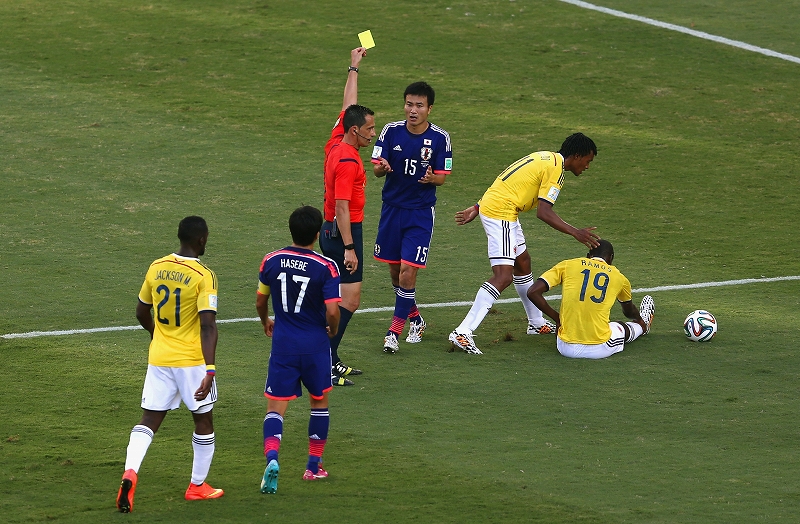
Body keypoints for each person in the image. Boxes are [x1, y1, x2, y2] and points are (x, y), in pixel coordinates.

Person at [449, 133, 601, 355]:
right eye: (587, 161)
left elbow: (506, 180)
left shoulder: (545, 157)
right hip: (501, 212)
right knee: (503, 276)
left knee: (523, 263)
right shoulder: (555, 171)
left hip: (504, 209)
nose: (587, 166)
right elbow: (544, 212)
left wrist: (477, 207)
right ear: (576, 156)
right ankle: (463, 331)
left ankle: (536, 322)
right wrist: (575, 232)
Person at [116, 216, 223, 513]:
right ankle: (198, 486)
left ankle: (130, 472)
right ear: (201, 240)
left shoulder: (156, 266)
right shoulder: (204, 276)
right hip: (191, 362)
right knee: (203, 420)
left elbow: (140, 311)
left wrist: (156, 335)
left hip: (160, 358)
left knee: (149, 419)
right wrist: (210, 369)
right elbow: (207, 326)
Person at [256, 206, 341, 494]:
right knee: (319, 403)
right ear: (317, 234)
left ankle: (272, 459)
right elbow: (332, 310)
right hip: (315, 345)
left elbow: (259, 300)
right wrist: (333, 328)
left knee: (276, 407)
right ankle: (313, 467)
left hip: (284, 344)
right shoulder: (326, 266)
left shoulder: (271, 260)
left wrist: (265, 319)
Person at [371, 81, 452, 353]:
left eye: (419, 105)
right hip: (391, 210)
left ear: (429, 108)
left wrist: (432, 178)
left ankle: (393, 332)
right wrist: (382, 167)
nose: (413, 110)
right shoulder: (390, 131)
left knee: (408, 271)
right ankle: (416, 319)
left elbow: (442, 177)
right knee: (396, 272)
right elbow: (376, 171)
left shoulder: (441, 138)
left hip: (419, 214)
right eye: (409, 104)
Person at [320, 47, 375, 386]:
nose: (373, 133)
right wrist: (350, 247)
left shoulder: (337, 140)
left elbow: (347, 107)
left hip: (337, 229)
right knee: (349, 298)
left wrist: (353, 67)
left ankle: (330, 357)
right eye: (369, 128)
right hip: (344, 231)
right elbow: (342, 207)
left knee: (343, 297)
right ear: (356, 132)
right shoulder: (349, 161)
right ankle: (323, 360)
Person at [527, 239, 655, 359]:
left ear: (588, 255)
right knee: (618, 327)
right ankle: (643, 326)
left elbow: (533, 292)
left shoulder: (568, 265)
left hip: (564, 348)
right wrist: (638, 318)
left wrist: (558, 318)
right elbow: (628, 312)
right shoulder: (619, 277)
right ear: (611, 258)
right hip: (599, 348)